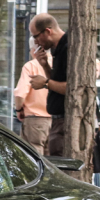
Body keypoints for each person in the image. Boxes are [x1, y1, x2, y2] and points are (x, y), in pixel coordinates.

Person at [28, 13, 69, 156]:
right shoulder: (56, 49)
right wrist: (45, 66)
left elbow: (72, 88)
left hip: (65, 122)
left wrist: (45, 83)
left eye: (36, 36)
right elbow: (58, 81)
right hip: (58, 121)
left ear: (48, 31)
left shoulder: (67, 47)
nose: (36, 42)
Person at [14, 49, 52, 154]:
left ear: (33, 50)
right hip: (55, 120)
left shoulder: (30, 66)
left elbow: (20, 93)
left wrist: (19, 109)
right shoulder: (57, 63)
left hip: (35, 119)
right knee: (53, 158)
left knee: (34, 154)